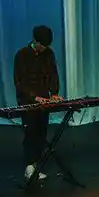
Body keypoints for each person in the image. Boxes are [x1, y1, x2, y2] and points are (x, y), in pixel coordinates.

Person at [13, 25, 62, 181]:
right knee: (30, 133)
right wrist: (34, 97)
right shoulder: (22, 55)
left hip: (44, 99)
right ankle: (29, 166)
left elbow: (53, 74)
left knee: (42, 133)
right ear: (35, 41)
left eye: (46, 46)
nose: (44, 48)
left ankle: (37, 166)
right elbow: (19, 82)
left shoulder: (49, 54)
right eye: (42, 45)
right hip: (27, 100)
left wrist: (54, 93)